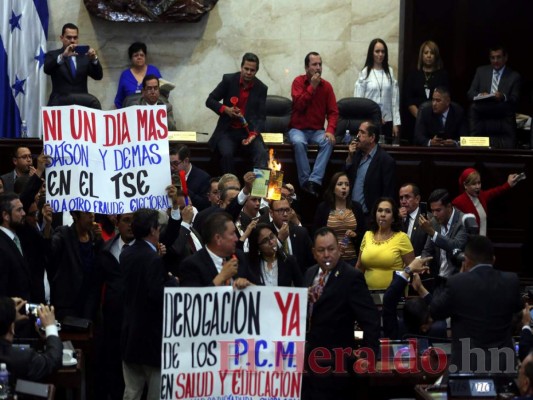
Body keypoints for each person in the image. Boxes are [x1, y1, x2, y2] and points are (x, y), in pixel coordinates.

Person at [302, 227, 379, 400]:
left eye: (331, 249)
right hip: (309, 361)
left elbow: (370, 319)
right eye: (321, 250)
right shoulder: (309, 274)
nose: (326, 254)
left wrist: (369, 355)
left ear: (338, 249)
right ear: (314, 253)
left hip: (338, 362)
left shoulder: (351, 277)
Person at [430, 235, 522, 373]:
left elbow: (435, 311)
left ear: (465, 261)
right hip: (503, 365)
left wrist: (461, 275)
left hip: (466, 365)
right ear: (494, 259)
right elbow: (518, 315)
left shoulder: (457, 283)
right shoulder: (511, 281)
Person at [121, 209, 178, 400]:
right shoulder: (152, 259)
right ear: (153, 230)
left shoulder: (126, 253)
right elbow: (157, 294)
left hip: (130, 336)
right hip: (151, 340)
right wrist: (172, 281)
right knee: (155, 394)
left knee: (131, 393)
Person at [205, 52, 268, 174]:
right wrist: (226, 109)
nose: (248, 72)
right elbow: (210, 100)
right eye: (246, 69)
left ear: (256, 71)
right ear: (241, 67)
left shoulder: (261, 88)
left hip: (248, 132)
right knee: (226, 154)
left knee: (262, 153)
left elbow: (261, 118)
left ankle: (259, 191)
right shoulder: (229, 80)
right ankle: (230, 188)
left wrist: (253, 135)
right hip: (228, 131)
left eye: (252, 70)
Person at [94, 213, 135, 400]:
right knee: (116, 373)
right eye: (126, 220)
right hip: (113, 322)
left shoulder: (149, 250)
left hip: (138, 323)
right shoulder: (105, 249)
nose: (131, 225)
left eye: (134, 221)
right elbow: (95, 285)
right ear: (116, 222)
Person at [288, 51, 338, 197]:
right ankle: (305, 182)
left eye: (320, 64)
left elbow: (333, 112)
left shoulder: (327, 86)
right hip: (297, 129)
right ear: (306, 67)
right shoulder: (298, 82)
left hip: (317, 131)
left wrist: (330, 130)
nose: (318, 68)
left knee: (328, 141)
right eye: (314, 64)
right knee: (298, 142)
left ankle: (314, 181)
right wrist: (312, 87)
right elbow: (299, 106)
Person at [45, 211, 104, 320]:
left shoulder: (94, 237)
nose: (91, 216)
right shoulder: (63, 234)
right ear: (75, 216)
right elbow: (48, 251)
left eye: (92, 213)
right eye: (86, 213)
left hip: (90, 306)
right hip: (68, 306)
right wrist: (47, 225)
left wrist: (99, 241)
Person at [467, 44, 521, 149]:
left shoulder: (514, 76)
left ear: (506, 58)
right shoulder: (481, 71)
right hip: (482, 115)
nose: (495, 61)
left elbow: (515, 100)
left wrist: (503, 96)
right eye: (492, 57)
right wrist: (480, 95)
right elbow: (470, 93)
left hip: (503, 116)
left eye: (498, 57)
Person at [382, 256, 447, 341]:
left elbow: (388, 300)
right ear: (424, 327)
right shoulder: (438, 331)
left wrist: (409, 269)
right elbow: (438, 310)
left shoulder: (395, 331)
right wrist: (420, 288)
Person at [355, 197, 415, 290]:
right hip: (367, 295)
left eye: (387, 211)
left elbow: (412, 268)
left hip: (393, 295)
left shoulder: (402, 238)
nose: (383, 214)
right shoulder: (367, 235)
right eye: (380, 210)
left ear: (393, 218)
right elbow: (359, 267)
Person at [179, 212, 250, 287]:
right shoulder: (192, 265)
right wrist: (221, 277)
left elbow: (259, 289)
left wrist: (248, 285)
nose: (236, 239)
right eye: (232, 234)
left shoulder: (239, 257)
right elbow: (195, 297)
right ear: (218, 238)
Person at [0, 298, 62, 380]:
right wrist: (50, 326)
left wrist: (4, 311)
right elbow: (52, 361)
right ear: (12, 328)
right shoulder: (22, 358)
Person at [44, 23, 103, 107]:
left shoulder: (84, 57)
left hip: (81, 105)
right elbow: (47, 69)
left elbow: (98, 76)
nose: (72, 40)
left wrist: (94, 59)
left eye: (75, 37)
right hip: (59, 104)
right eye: (69, 37)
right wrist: (63, 57)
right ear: (61, 38)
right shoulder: (53, 55)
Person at [313, 172, 365, 266]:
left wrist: (355, 235)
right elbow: (316, 233)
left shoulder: (357, 207)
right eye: (340, 184)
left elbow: (365, 235)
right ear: (333, 188)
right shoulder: (323, 208)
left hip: (353, 260)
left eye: (347, 184)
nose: (344, 187)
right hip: (330, 259)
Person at [345, 120, 396, 216]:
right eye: (358, 131)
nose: (357, 136)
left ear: (372, 137)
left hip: (370, 216)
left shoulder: (385, 161)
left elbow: (387, 194)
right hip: (350, 214)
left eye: (362, 132)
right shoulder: (355, 155)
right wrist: (349, 157)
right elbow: (345, 179)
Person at [354, 38, 400, 142]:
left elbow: (394, 100)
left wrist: (395, 123)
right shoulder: (364, 73)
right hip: (369, 122)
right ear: (371, 53)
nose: (380, 54)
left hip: (387, 121)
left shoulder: (390, 72)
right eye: (377, 51)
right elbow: (359, 102)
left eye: (383, 52)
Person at [452, 168, 521, 236]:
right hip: (470, 245)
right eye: (474, 184)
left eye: (479, 183)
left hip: (483, 242)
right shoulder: (458, 202)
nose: (477, 187)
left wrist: (508, 184)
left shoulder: (481, 196)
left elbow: (495, 192)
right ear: (465, 185)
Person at [420, 188, 468, 281]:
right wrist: (424, 262)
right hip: (439, 279)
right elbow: (427, 250)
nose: (434, 214)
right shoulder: (434, 222)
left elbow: (455, 246)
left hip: (459, 279)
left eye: (438, 210)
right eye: (432, 210)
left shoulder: (463, 221)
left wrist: (432, 232)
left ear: (449, 207)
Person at [404, 41, 449, 121]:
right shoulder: (413, 75)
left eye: (432, 53)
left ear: (436, 56)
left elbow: (445, 99)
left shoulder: (443, 75)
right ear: (421, 55)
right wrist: (420, 117)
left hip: (437, 119)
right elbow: (408, 99)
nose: (429, 55)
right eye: (426, 53)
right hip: (415, 120)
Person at [269, 197, 315, 274]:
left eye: (287, 210)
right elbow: (266, 258)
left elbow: (312, 261)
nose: (285, 214)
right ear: (271, 213)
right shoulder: (266, 232)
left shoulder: (301, 233)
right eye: (280, 210)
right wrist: (279, 240)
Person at [114, 42, 162, 108]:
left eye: (142, 55)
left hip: (152, 113)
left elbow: (162, 95)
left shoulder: (154, 71)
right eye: (136, 55)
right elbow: (119, 100)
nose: (139, 57)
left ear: (145, 57)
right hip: (131, 114)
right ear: (131, 58)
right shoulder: (125, 75)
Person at [169, 145, 211, 211]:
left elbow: (205, 204)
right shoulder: (168, 175)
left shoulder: (203, 178)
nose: (172, 168)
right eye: (170, 164)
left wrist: (185, 191)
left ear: (186, 161)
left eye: (175, 163)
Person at [398, 183, 427, 256]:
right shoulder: (395, 218)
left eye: (407, 197)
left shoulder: (427, 219)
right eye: (401, 198)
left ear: (417, 199)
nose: (403, 201)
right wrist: (396, 218)